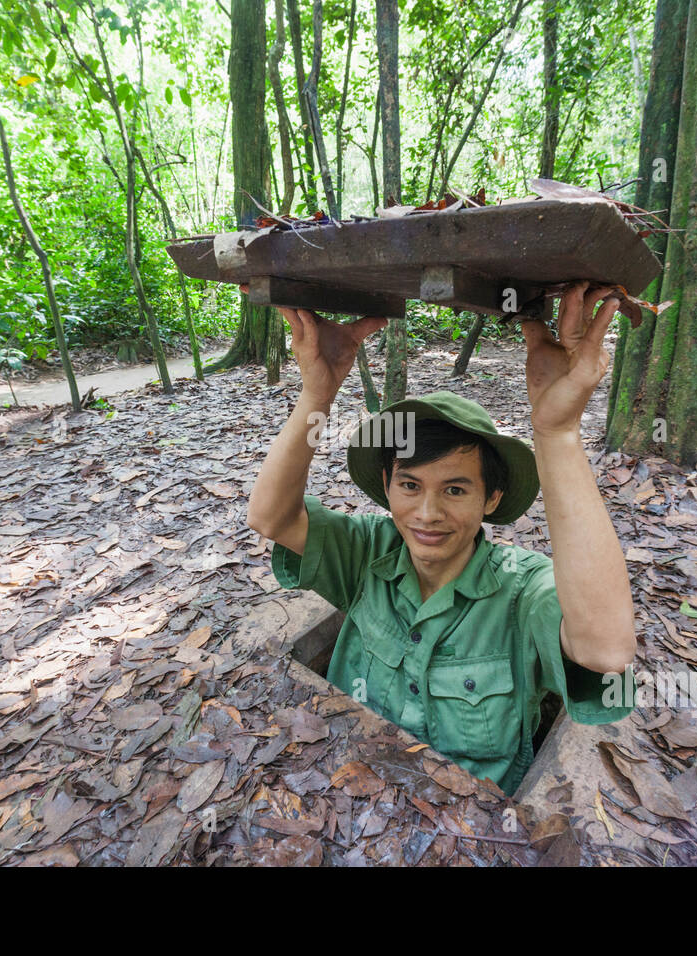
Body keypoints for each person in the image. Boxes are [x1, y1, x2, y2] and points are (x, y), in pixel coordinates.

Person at [246, 282, 637, 795]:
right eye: (410, 485)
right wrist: (317, 395)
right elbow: (271, 517)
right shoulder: (368, 552)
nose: (427, 514)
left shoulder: (523, 595)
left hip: (471, 833)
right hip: (343, 798)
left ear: (491, 498)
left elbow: (606, 653)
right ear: (386, 486)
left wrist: (557, 432)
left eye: (455, 489)